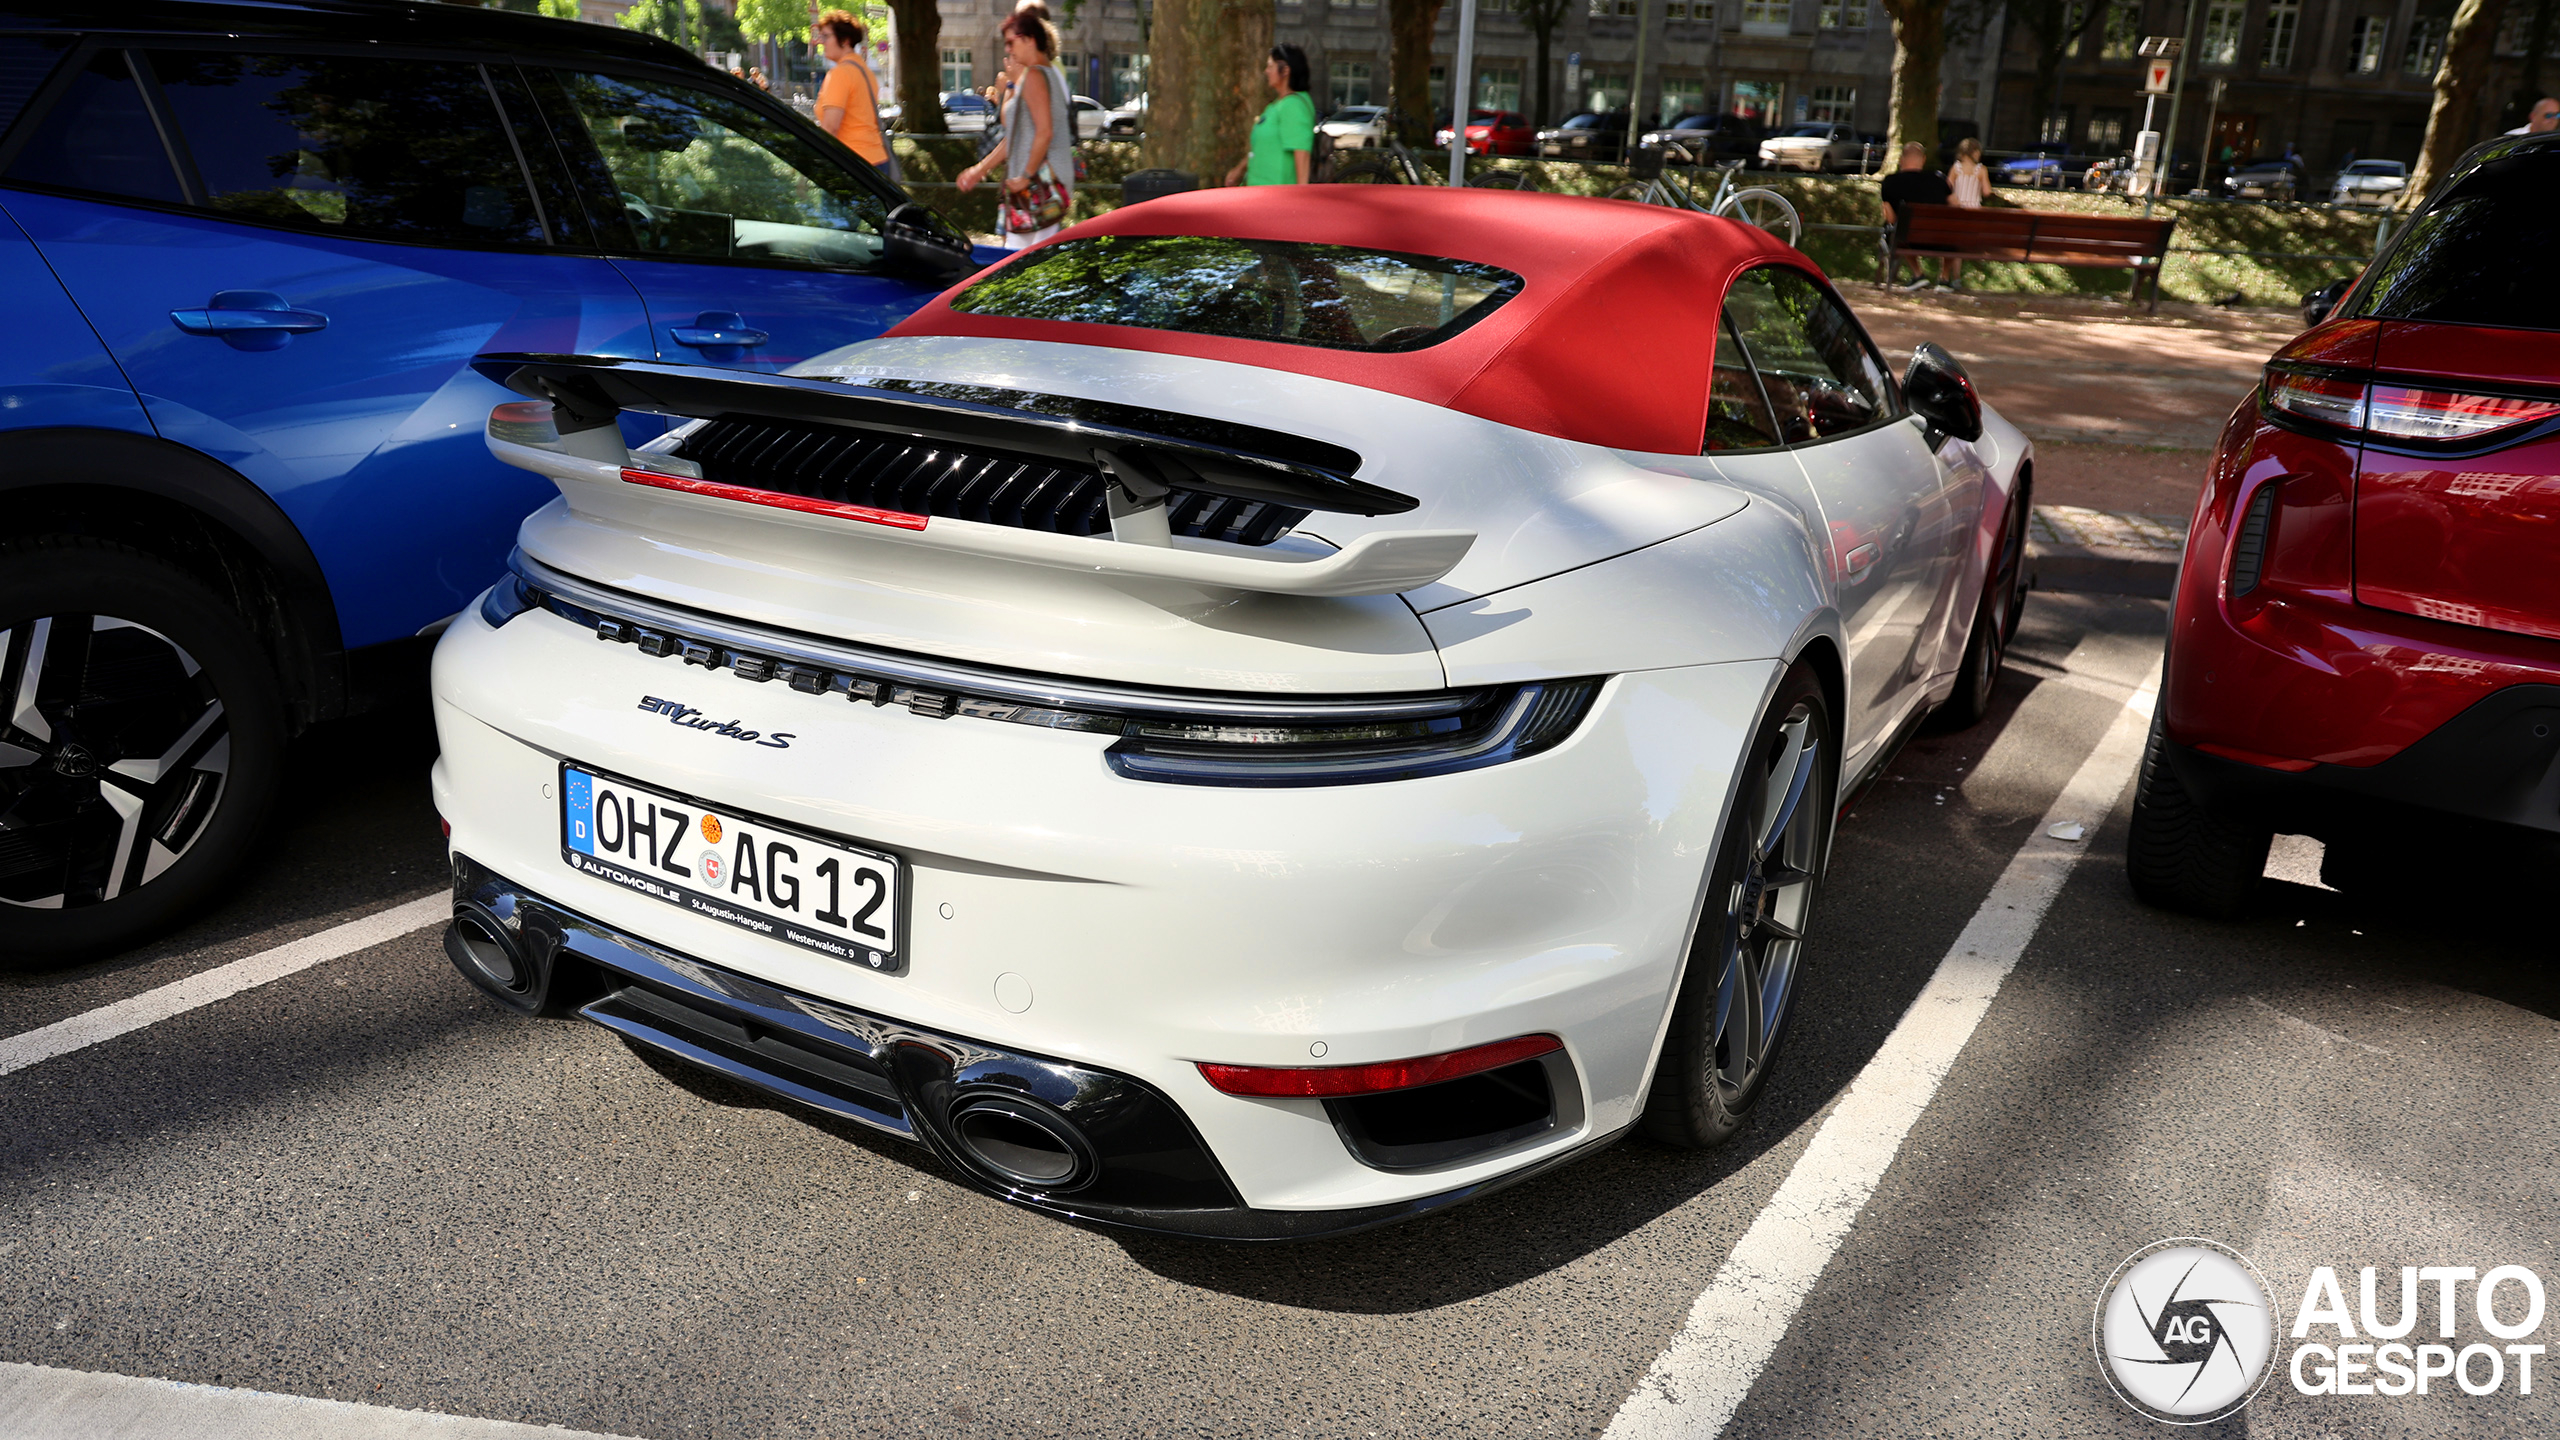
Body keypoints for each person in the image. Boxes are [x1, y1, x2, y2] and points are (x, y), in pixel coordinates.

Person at [957, 5, 1072, 249]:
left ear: (1030, 40)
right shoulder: (1044, 73)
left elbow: (1044, 132)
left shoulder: (1035, 76)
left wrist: (1025, 176)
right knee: (1023, 260)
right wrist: (980, 169)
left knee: (1021, 264)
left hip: (1038, 183)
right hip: (1038, 184)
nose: (1008, 49)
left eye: (1012, 42)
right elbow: (1017, 134)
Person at [813, 9, 895, 182]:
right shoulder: (864, 71)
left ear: (844, 40)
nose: (821, 42)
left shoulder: (840, 74)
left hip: (850, 164)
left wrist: (814, 164)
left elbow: (830, 128)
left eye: (826, 36)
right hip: (876, 159)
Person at [1226, 44, 1315, 186]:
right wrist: (1240, 169)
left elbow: (1302, 154)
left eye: (1270, 66)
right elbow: (1260, 147)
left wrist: (1301, 199)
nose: (1266, 71)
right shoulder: (1276, 105)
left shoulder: (1293, 106)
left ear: (1285, 71)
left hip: (1277, 198)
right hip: (1259, 194)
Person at [1879, 141, 1953, 291]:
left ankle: (1918, 275)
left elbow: (1891, 218)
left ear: (1901, 159)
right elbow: (1955, 207)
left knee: (1900, 230)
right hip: (1940, 239)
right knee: (1952, 232)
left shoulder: (1890, 182)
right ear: (1923, 160)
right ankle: (1944, 279)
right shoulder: (1939, 180)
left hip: (1907, 239)